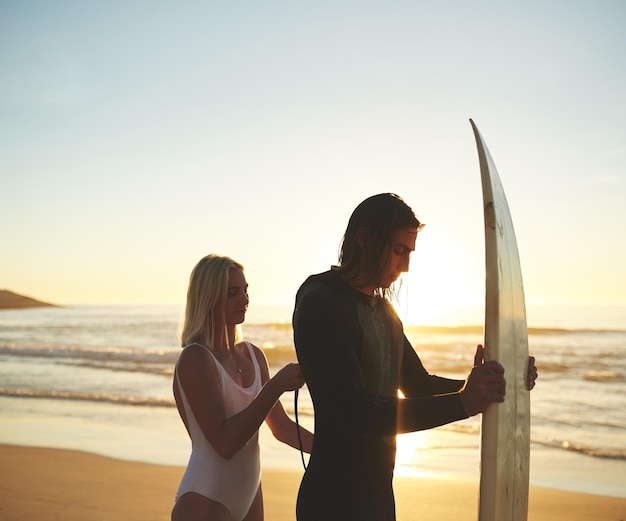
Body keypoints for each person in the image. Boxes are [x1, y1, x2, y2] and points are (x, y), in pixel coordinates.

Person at [292, 193, 538, 521]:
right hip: (332, 501)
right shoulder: (321, 302)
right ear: (364, 240)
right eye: (398, 250)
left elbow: (418, 385)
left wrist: (492, 386)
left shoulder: (384, 312)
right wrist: (464, 402)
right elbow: (355, 411)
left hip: (378, 499)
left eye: (409, 253)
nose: (405, 266)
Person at [172, 254, 314, 521]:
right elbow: (225, 443)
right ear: (209, 298)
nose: (245, 300)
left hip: (249, 495)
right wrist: (276, 386)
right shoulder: (195, 359)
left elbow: (281, 427)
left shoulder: (253, 355)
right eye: (233, 293)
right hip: (204, 499)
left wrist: (334, 451)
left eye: (246, 291)